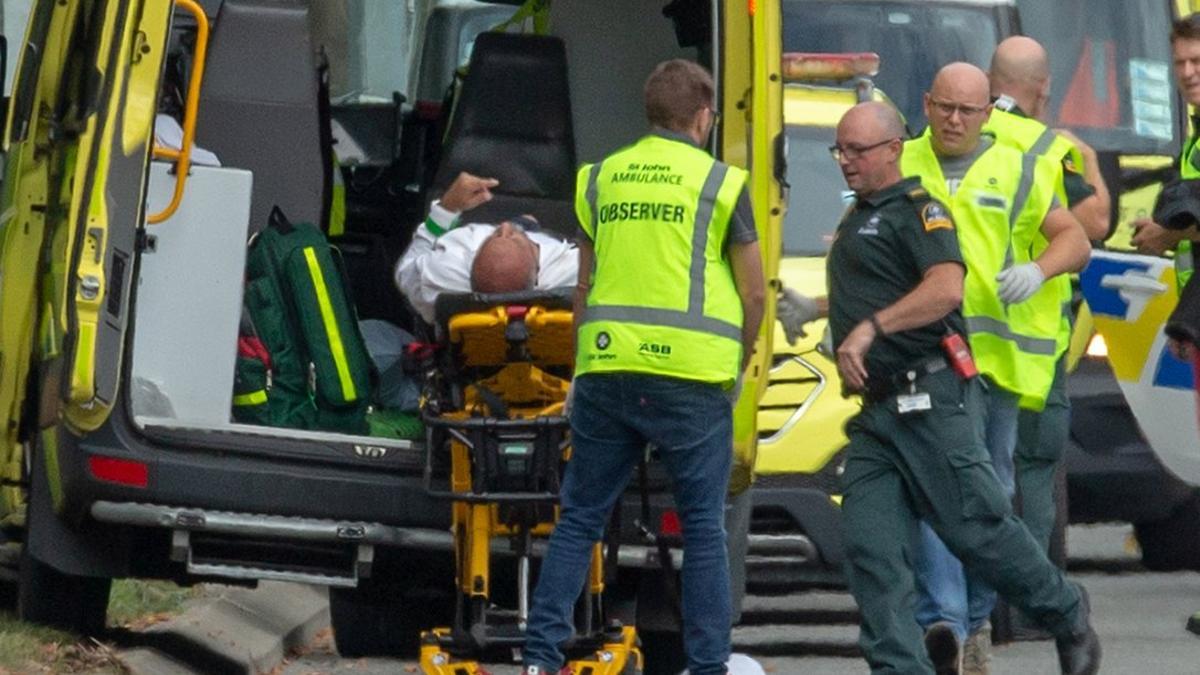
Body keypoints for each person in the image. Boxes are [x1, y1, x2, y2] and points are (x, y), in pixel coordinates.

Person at [829, 99, 1100, 675]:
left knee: (976, 530)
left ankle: (1067, 613)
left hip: (931, 402)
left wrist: (869, 330)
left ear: (893, 149)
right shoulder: (860, 214)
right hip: (879, 415)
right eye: (840, 150)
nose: (846, 162)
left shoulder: (918, 210)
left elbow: (946, 289)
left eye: (858, 150)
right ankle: (902, 668)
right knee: (871, 550)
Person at [521, 59, 765, 675]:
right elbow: (755, 292)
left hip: (609, 368)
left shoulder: (600, 179)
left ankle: (539, 659)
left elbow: (583, 287)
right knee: (704, 529)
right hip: (691, 377)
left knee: (579, 517)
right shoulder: (721, 184)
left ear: (652, 113)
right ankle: (708, 667)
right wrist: (739, 359)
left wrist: (582, 369)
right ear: (704, 117)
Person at [898, 63, 1092, 673]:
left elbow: (1076, 239)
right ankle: (945, 624)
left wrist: (1039, 269)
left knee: (991, 493)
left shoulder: (1019, 168)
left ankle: (976, 620)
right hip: (927, 355)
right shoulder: (901, 162)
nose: (955, 120)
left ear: (989, 114)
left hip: (998, 360)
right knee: (936, 486)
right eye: (945, 107)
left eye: (968, 110)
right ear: (927, 104)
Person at [985, 34, 1115, 649]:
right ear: (1041, 89)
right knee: (1031, 471)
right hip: (1032, 346)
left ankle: (968, 610)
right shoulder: (1049, 147)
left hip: (965, 341)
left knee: (970, 472)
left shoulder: (956, 138)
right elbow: (1094, 224)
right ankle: (1028, 605)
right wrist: (1086, 163)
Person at [394, 171, 580, 324]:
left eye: (495, 235)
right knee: (528, 221)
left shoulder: (439, 280)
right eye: (514, 235)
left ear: (471, 264)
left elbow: (405, 270)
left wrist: (447, 209)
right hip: (547, 238)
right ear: (539, 272)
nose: (505, 226)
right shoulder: (573, 273)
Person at [1131, 14, 1200, 288]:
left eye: (1196, 61)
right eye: (1179, 63)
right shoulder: (1193, 139)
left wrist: (1170, 234)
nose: (1187, 73)